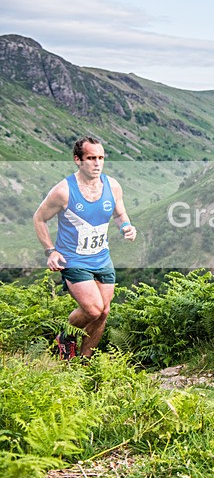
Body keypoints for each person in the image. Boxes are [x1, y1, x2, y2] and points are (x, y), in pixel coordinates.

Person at [33, 136, 136, 360]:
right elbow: (39, 218)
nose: (97, 163)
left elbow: (119, 214)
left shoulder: (113, 186)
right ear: (78, 160)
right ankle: (66, 337)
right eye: (91, 158)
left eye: (100, 158)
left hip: (102, 258)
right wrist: (51, 251)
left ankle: (84, 363)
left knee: (104, 313)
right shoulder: (64, 191)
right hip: (74, 259)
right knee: (92, 309)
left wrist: (126, 227)